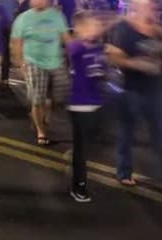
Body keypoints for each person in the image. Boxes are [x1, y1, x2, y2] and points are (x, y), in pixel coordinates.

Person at [106, 0, 162, 187]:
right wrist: (136, 64)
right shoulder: (123, 29)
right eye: (149, 5)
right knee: (127, 133)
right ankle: (124, 172)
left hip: (154, 87)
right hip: (131, 87)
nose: (154, 8)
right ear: (136, 7)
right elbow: (114, 57)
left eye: (154, 5)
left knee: (160, 134)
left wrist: (159, 28)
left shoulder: (156, 28)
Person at [11, 0, 71, 145]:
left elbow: (66, 37)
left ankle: (42, 115)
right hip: (33, 62)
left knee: (56, 98)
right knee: (38, 100)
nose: (40, 0)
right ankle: (41, 131)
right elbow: (16, 42)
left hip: (55, 61)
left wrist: (76, 55)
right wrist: (19, 64)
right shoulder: (23, 19)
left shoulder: (57, 16)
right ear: (30, 0)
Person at [67, 11, 107, 202]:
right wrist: (83, 38)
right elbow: (73, 48)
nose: (96, 28)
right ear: (81, 28)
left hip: (96, 103)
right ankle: (79, 186)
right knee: (82, 150)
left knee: (91, 145)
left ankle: (75, 162)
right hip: (80, 105)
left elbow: (101, 72)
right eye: (92, 25)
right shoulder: (77, 46)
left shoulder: (97, 47)